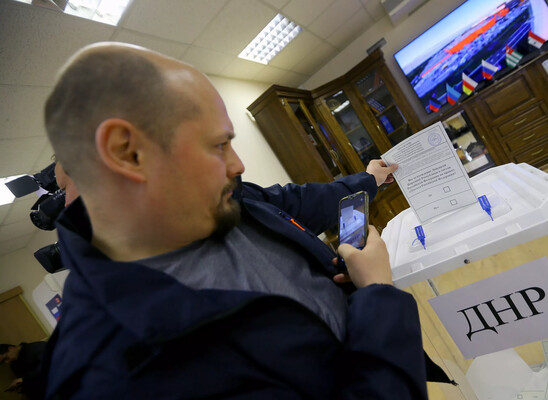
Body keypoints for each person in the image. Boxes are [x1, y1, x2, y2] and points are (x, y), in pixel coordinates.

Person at [40, 42, 451, 399]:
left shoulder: (217, 198)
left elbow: (299, 201)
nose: (237, 165)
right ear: (127, 153)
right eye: (218, 145)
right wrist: (378, 293)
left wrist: (369, 179)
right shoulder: (122, 369)